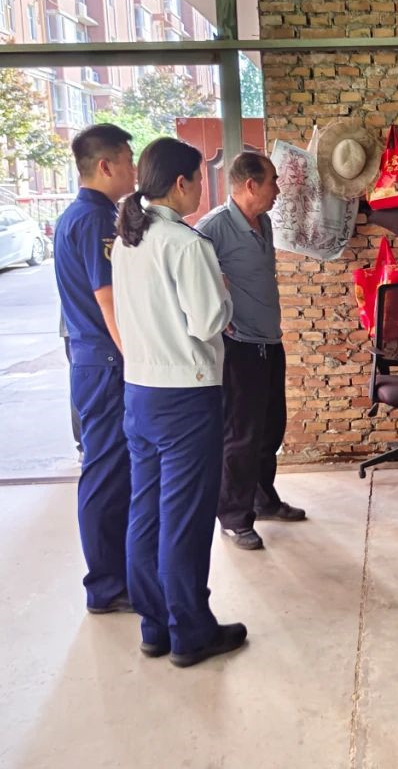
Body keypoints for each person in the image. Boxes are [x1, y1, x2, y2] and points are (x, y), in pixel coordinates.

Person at [112, 137, 245, 667]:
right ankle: (191, 632)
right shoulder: (186, 244)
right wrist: (224, 290)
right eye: (199, 179)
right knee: (185, 520)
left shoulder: (128, 237)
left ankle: (155, 625)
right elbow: (208, 321)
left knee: (145, 514)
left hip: (140, 389)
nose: (202, 190)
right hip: (186, 395)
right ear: (181, 182)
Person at [197, 152, 305, 551]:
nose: (278, 189)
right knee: (241, 435)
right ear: (250, 185)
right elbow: (191, 278)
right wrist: (214, 309)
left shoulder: (264, 223)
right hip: (239, 346)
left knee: (270, 428)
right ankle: (233, 517)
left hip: (269, 342)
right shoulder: (212, 229)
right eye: (273, 181)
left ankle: (263, 500)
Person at [53, 123, 137, 612]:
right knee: (106, 474)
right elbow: (109, 301)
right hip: (106, 363)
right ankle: (106, 587)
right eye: (127, 160)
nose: (133, 169)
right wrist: (136, 362)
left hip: (96, 360)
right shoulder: (95, 220)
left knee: (114, 472)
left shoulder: (86, 215)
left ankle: (118, 577)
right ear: (105, 165)